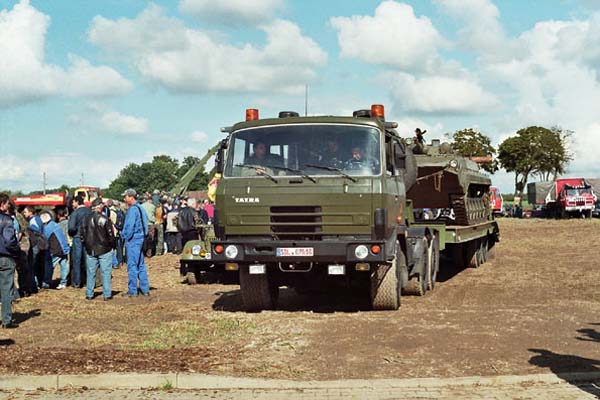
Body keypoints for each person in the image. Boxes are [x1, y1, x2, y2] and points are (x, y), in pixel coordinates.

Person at [81, 199, 116, 300]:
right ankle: (107, 294)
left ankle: (89, 294)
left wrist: (86, 246)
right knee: (106, 272)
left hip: (90, 249)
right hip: (105, 249)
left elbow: (82, 236)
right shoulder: (105, 219)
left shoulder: (85, 219)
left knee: (90, 273)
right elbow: (111, 235)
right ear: (99, 206)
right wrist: (112, 246)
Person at [121, 188, 150, 297]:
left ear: (131, 197)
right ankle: (145, 289)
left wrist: (125, 237)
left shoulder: (132, 210)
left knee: (132, 265)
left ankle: (132, 291)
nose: (124, 199)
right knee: (141, 265)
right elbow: (146, 224)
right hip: (141, 238)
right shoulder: (141, 208)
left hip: (134, 240)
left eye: (125, 196)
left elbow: (129, 227)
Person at [0, 193, 19, 328]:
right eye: (7, 203)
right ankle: (6, 320)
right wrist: (16, 249)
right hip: (5, 257)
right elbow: (9, 241)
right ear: (2, 204)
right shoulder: (6, 220)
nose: (8, 205)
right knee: (6, 289)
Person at [40, 211, 70, 289]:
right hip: (64, 247)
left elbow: (44, 239)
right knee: (64, 265)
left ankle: (46, 282)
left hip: (56, 249)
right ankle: (63, 282)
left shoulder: (47, 228)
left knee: (49, 266)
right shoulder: (54, 224)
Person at [68, 196, 91, 288]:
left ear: (77, 202)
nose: (72, 204)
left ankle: (77, 282)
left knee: (77, 260)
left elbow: (71, 227)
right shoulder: (89, 211)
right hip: (88, 237)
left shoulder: (75, 213)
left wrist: (72, 233)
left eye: (73, 202)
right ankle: (87, 281)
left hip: (77, 237)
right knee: (87, 260)